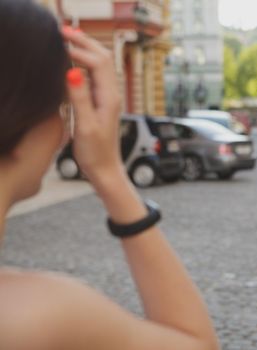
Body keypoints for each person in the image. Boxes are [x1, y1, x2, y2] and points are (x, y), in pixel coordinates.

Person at [0, 1, 219, 349]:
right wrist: (109, 173)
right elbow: (197, 343)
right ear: (25, 120)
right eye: (61, 106)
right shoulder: (36, 315)